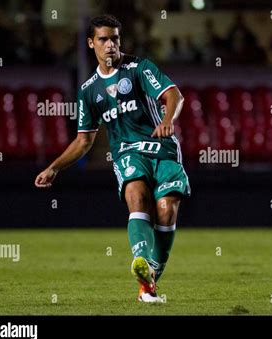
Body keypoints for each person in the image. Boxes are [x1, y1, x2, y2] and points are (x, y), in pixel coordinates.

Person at [34, 14, 190, 303]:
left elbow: (174, 95)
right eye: (103, 39)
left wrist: (168, 119)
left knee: (166, 210)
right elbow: (84, 141)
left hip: (162, 148)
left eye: (115, 38)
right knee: (136, 194)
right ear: (91, 43)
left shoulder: (140, 68)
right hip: (127, 153)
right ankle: (143, 269)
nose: (110, 45)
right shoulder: (88, 91)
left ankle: (151, 274)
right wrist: (54, 168)